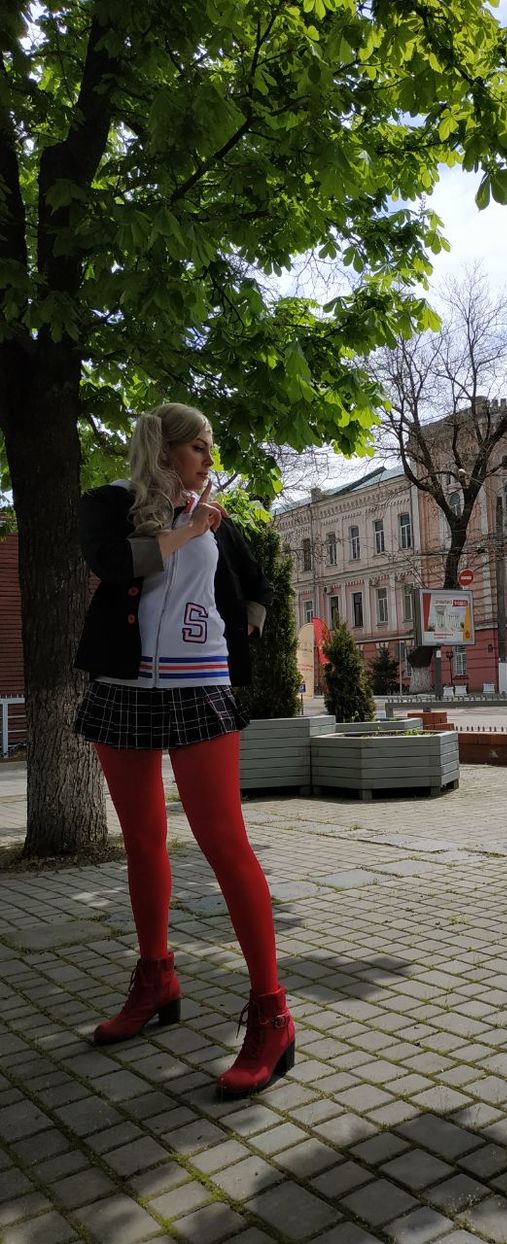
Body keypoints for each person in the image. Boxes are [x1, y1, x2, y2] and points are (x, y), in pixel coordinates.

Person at [74, 402, 294, 1098]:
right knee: (142, 841)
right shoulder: (109, 504)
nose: (207, 454)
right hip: (123, 685)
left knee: (225, 844)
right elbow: (112, 563)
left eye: (209, 444)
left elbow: (254, 583)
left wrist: (247, 623)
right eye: (195, 445)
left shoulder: (216, 519)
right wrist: (188, 530)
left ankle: (271, 1015)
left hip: (200, 686)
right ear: (162, 450)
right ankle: (156, 976)